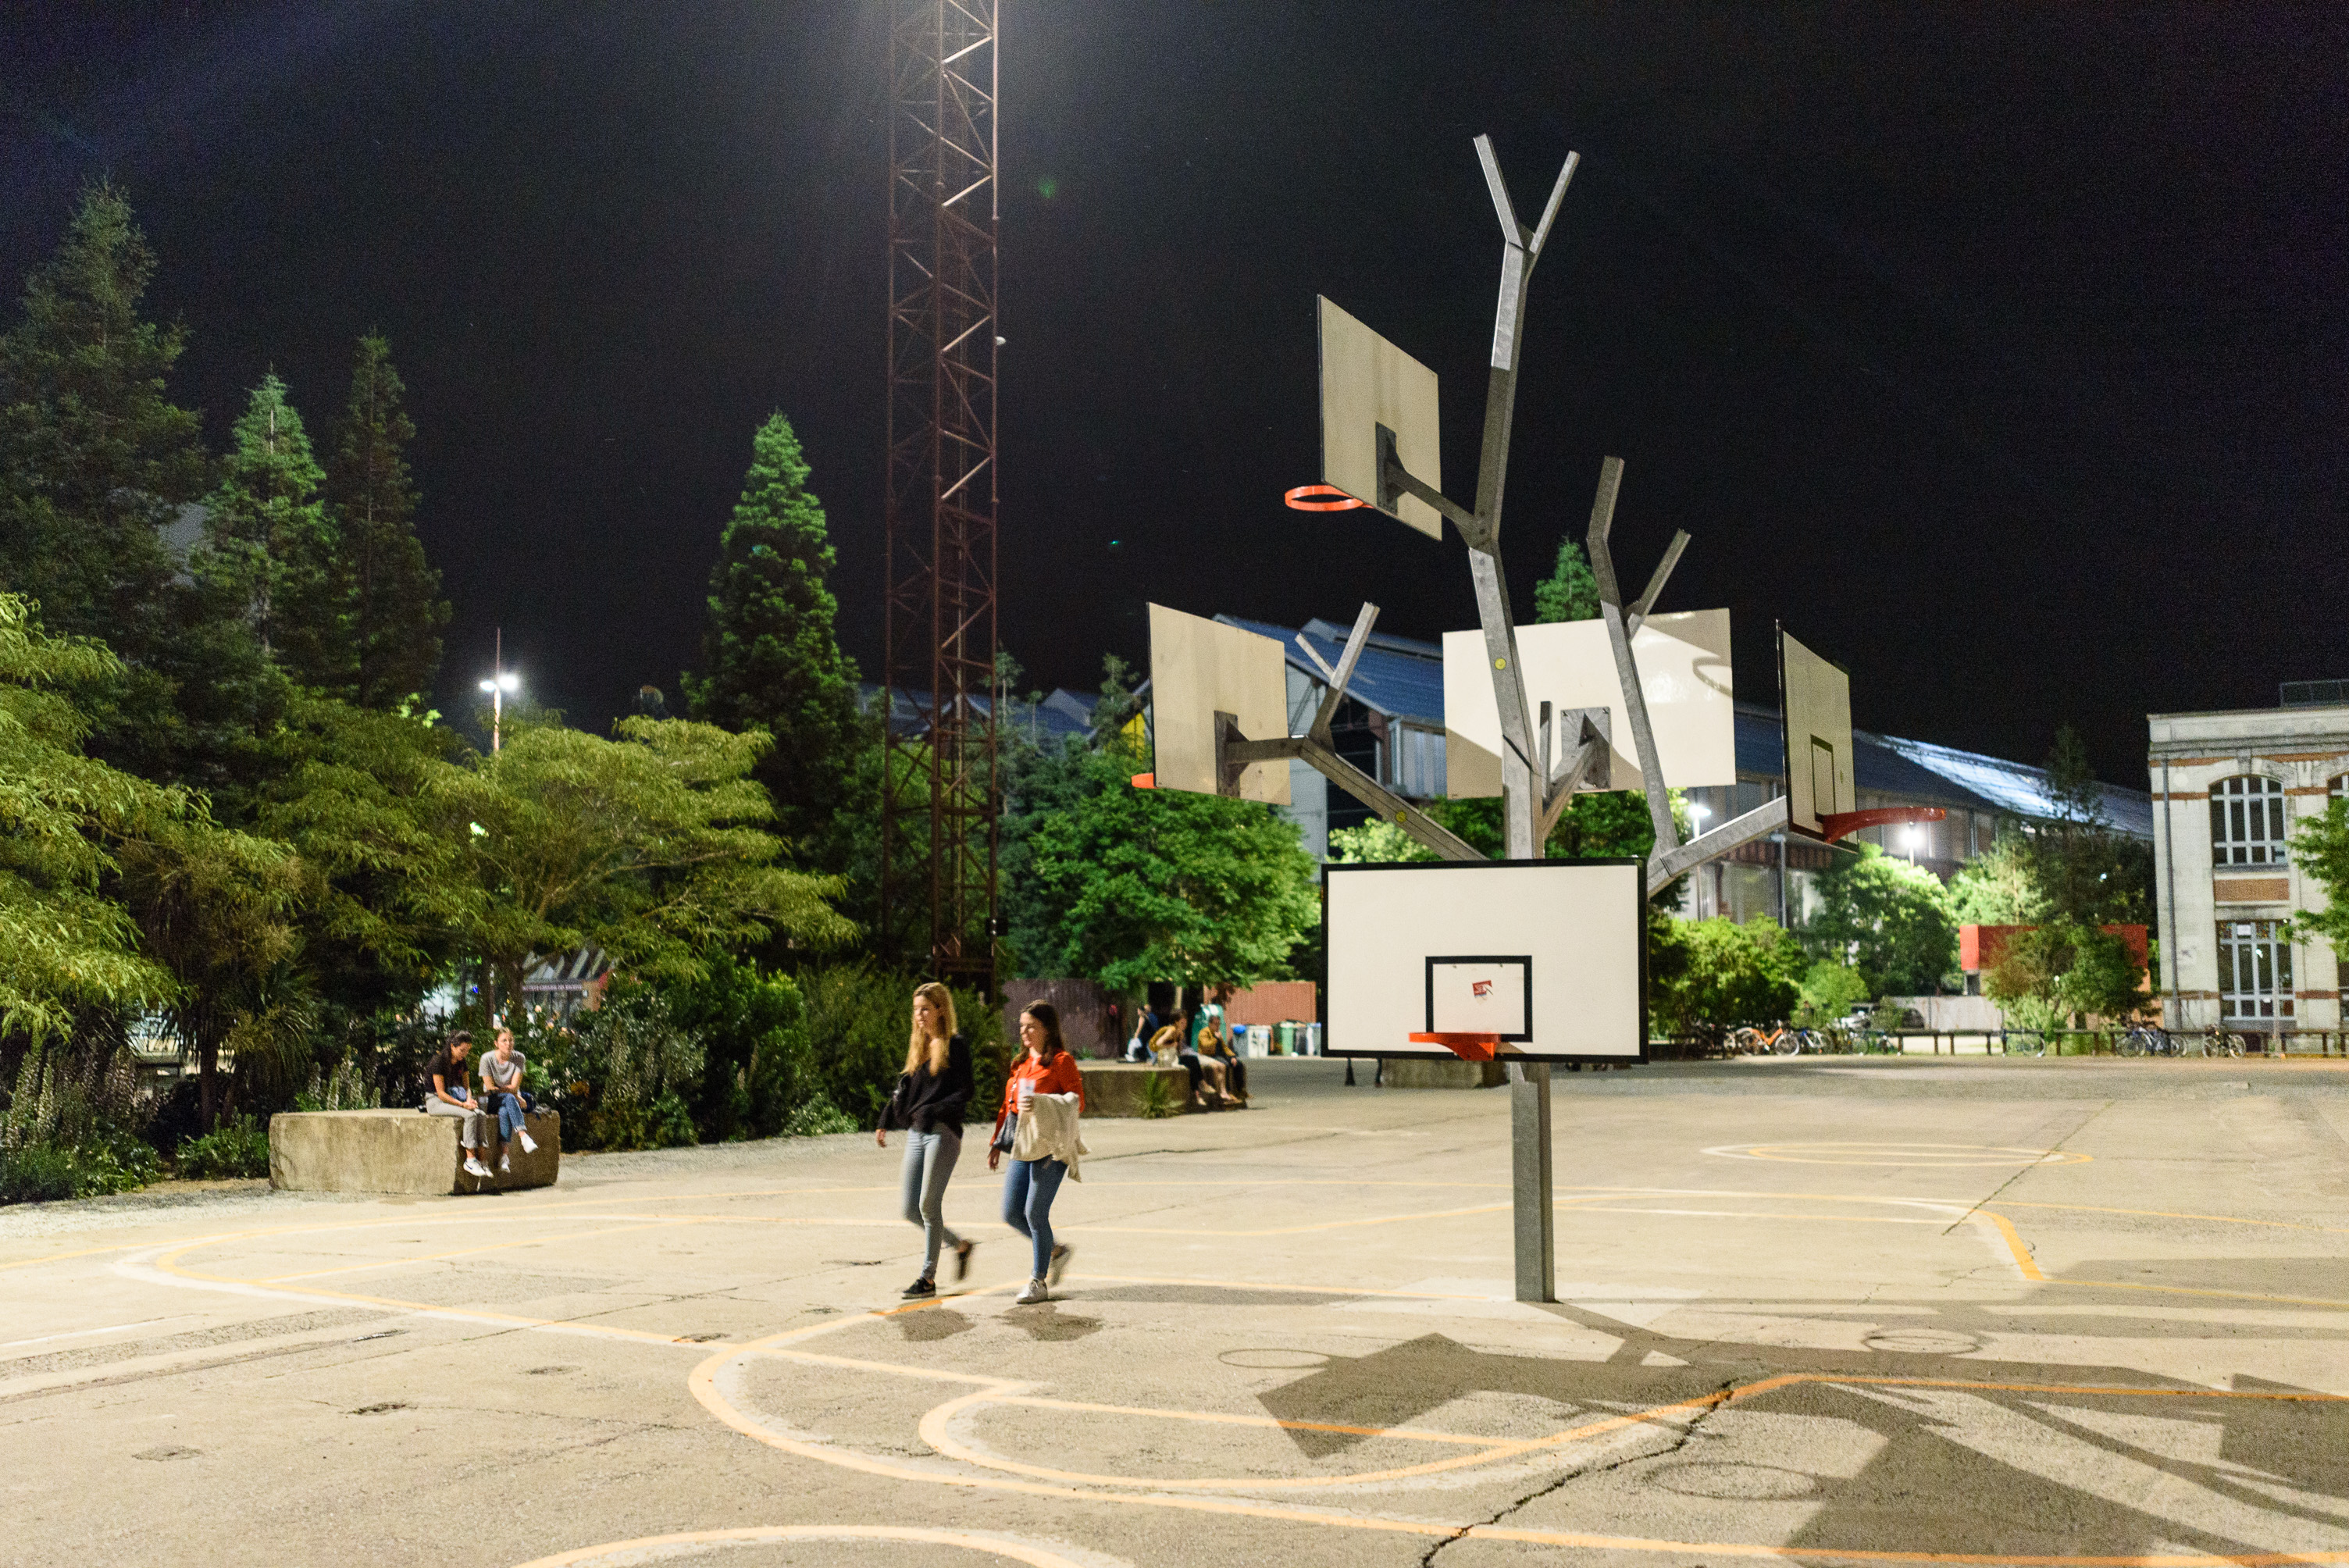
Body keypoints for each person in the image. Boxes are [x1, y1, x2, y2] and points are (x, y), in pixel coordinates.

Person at [876, 982, 976, 1299]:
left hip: (943, 1133)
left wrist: (935, 1109)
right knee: (910, 1209)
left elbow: (966, 1091)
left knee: (929, 1205)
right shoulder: (918, 1047)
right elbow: (904, 1092)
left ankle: (927, 1279)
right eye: (916, 1010)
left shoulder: (955, 1045)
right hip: (917, 1134)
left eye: (925, 1009)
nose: (919, 1015)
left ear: (940, 1010)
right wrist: (885, 1119)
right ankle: (960, 1245)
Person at [988, 1001, 1085, 1304]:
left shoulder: (1062, 1061)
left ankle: (1037, 1281)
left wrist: (1043, 1103)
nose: (1024, 1032)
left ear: (1047, 1029)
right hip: (1024, 1144)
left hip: (1052, 1146)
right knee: (1011, 1213)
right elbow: (1009, 1108)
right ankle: (1055, 1250)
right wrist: (996, 1142)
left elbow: (1078, 1102)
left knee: (1034, 1212)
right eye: (1021, 1026)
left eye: (1031, 1026)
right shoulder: (1020, 1065)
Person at [420, 1032, 491, 1179]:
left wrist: (469, 1100)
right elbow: (441, 1094)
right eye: (462, 1050)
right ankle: (470, 1160)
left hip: (455, 1099)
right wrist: (463, 1105)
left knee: (481, 1114)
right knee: (470, 1115)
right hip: (435, 1101)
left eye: (467, 1051)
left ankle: (482, 1160)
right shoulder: (438, 1062)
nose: (464, 1054)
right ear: (452, 1046)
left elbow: (467, 1088)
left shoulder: (462, 1062)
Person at [478, 1026, 540, 1174]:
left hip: (509, 1100)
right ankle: (523, 1136)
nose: (508, 1043)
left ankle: (504, 1157)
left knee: (505, 1111)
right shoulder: (487, 1059)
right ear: (496, 1043)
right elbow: (490, 1087)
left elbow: (515, 1086)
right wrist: (515, 1095)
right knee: (510, 1098)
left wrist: (513, 1093)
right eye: (504, 1040)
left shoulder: (519, 1058)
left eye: (511, 1040)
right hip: (491, 1099)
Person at [1197, 1014, 1249, 1107]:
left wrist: (1233, 1057)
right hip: (1210, 1055)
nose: (1217, 1026)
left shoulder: (1218, 1033)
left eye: (1219, 1024)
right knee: (1225, 1065)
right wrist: (1215, 1038)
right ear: (1210, 1024)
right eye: (1215, 1024)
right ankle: (1228, 1091)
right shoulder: (1204, 1033)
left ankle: (1240, 1090)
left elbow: (1225, 1047)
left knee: (1238, 1064)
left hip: (1220, 1055)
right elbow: (1205, 1045)